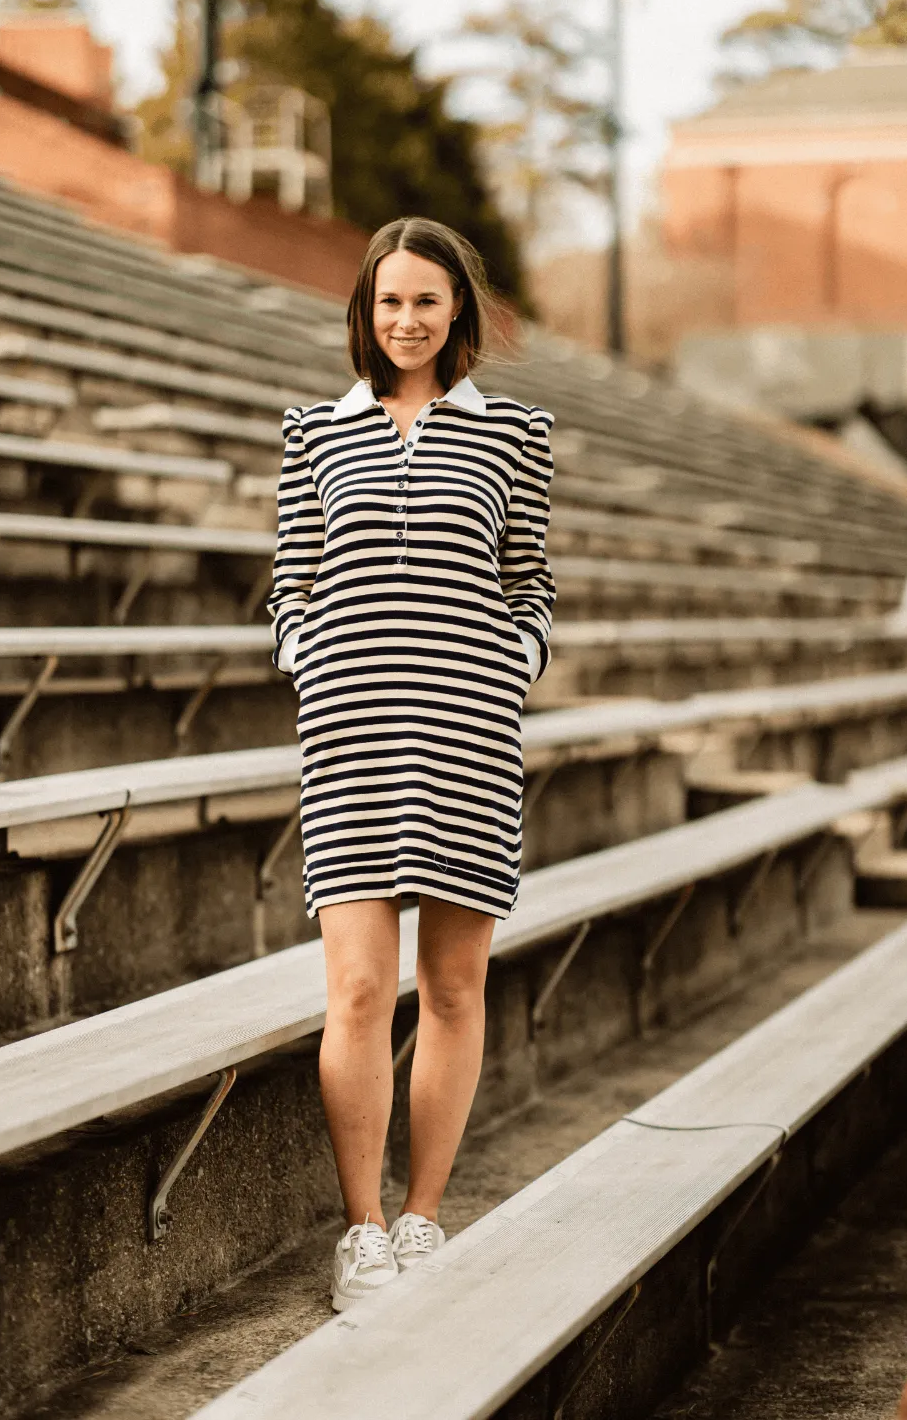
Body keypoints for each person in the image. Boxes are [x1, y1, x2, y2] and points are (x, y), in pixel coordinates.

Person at [267, 216, 556, 1312]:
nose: (404, 320)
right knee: (353, 987)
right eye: (388, 302)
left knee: (450, 984)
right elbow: (291, 577)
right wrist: (308, 658)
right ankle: (363, 1228)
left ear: (456, 314)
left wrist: (509, 663)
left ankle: (427, 1212)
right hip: (349, 735)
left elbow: (530, 578)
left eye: (425, 302)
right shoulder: (314, 433)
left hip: (469, 733)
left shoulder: (513, 434)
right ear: (365, 308)